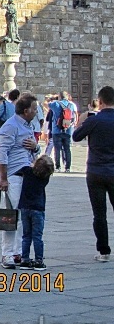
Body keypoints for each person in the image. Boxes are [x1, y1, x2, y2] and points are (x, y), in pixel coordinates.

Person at [0, 93, 40, 269]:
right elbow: (2, 153)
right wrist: (3, 178)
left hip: (27, 175)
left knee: (24, 216)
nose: (37, 112)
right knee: (11, 216)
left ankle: (18, 252)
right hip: (14, 176)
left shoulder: (28, 126)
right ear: (26, 110)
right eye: (35, 109)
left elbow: (34, 152)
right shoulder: (10, 126)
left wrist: (36, 147)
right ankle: (7, 254)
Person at [72, 85, 114, 262]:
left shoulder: (94, 120)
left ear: (100, 101)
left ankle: (104, 251)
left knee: (99, 214)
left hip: (95, 171)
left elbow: (76, 137)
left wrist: (83, 121)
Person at [17, 154, 53, 270]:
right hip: (38, 208)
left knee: (26, 236)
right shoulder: (45, 178)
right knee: (37, 236)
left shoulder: (27, 171)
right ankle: (38, 260)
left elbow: (20, 169)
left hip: (25, 207)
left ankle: (25, 260)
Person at [46, 91, 78, 172]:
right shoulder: (71, 105)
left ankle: (58, 167)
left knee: (57, 149)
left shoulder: (56, 104)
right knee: (67, 149)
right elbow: (74, 115)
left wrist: (53, 97)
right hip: (67, 129)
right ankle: (67, 167)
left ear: (59, 97)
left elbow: (47, 103)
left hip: (56, 130)